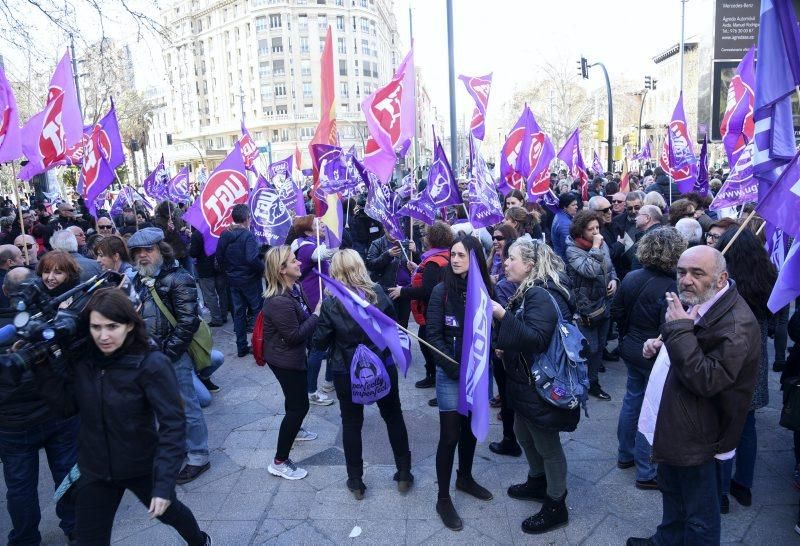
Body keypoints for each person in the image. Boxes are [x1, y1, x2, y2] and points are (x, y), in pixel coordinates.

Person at [31, 288, 211, 545]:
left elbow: (173, 424)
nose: (103, 336)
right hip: (95, 468)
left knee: (170, 512)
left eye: (112, 326)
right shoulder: (84, 361)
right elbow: (66, 408)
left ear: (128, 325)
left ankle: (199, 540)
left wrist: (163, 485)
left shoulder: (151, 363)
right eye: (96, 327)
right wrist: (42, 367)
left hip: (141, 465)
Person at [628, 246, 761, 546]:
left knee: (700, 514)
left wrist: (676, 331)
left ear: (720, 277)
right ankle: (667, 539)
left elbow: (707, 379)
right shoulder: (702, 300)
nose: (686, 280)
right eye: (681, 272)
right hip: (678, 423)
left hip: (700, 434)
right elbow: (689, 345)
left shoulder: (736, 324)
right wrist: (660, 347)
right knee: (672, 491)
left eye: (697, 273)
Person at [492, 237, 578, 534]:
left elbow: (536, 339)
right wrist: (507, 345)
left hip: (541, 385)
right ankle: (537, 480)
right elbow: (528, 334)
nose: (505, 262)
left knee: (546, 443)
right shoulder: (532, 289)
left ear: (529, 265)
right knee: (522, 432)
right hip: (528, 381)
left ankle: (556, 504)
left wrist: (502, 316)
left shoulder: (540, 293)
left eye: (511, 258)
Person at [311, 249, 412, 498]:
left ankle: (355, 481)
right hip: (382, 366)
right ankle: (404, 472)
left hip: (346, 369)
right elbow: (393, 327)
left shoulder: (331, 303)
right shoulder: (377, 293)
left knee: (351, 423)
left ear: (334, 272)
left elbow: (320, 343)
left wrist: (318, 313)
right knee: (393, 415)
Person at [0, 266, 79, 545]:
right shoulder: (45, 318)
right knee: (66, 473)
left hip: (24, 421)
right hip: (44, 415)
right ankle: (75, 527)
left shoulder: (48, 319)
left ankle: (25, 538)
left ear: (5, 290)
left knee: (20, 485)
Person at [128, 227, 211, 485]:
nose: (143, 256)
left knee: (186, 406)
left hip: (172, 356)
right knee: (163, 408)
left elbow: (188, 322)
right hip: (148, 356)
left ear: (161, 251)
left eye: (148, 250)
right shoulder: (137, 280)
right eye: (138, 252)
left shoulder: (179, 278)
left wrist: (167, 353)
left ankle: (199, 456)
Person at [426, 234, 494, 531]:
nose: (454, 259)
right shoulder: (441, 290)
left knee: (469, 432)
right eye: (453, 254)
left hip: (478, 374)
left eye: (461, 255)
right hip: (452, 374)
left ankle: (464, 478)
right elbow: (433, 336)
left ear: (475, 258)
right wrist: (454, 368)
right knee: (450, 435)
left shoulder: (485, 290)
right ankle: (443, 498)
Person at [611, 227, 686, 491]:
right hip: (653, 353)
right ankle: (646, 470)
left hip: (632, 347)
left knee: (633, 399)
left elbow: (617, 311)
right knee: (651, 408)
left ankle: (625, 454)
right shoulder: (672, 287)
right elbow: (669, 326)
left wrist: (628, 334)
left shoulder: (631, 276)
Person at [715, 229, 777, 513]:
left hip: (728, 355)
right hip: (756, 357)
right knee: (747, 424)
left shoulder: (722, 281)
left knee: (724, 428)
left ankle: (721, 492)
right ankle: (744, 485)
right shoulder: (767, 275)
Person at [261, 246, 320, 481]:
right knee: (299, 406)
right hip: (285, 360)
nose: (299, 263)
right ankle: (280, 461)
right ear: (281, 269)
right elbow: (294, 335)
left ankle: (295, 431)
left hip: (292, 356)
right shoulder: (278, 301)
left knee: (293, 401)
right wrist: (317, 314)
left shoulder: (295, 287)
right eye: (293, 261)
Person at [387, 221, 453, 391]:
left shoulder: (433, 262)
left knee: (429, 346)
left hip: (432, 312)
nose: (423, 237)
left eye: (425, 234)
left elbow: (427, 290)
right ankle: (432, 376)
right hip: (442, 310)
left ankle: (437, 380)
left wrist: (403, 291)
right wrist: (418, 268)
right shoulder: (446, 255)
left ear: (432, 239)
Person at [565, 210, 618, 400]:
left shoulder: (601, 245)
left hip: (603, 305)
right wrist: (596, 247)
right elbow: (589, 270)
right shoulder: (572, 249)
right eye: (591, 229)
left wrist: (614, 280)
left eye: (597, 227)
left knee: (600, 348)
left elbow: (609, 267)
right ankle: (578, 382)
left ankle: (593, 382)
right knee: (589, 349)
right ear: (580, 231)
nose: (596, 232)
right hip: (585, 309)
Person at [291, 215, 336, 406]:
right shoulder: (307, 247)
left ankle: (329, 381)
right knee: (318, 347)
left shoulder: (303, 241)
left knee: (333, 340)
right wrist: (338, 227)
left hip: (322, 297)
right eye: (317, 225)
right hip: (315, 301)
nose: (323, 226)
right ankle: (311, 391)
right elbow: (328, 252)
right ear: (308, 231)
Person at [216, 204, 264, 357]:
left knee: (239, 313)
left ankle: (241, 346)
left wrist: (228, 272)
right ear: (247, 219)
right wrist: (263, 269)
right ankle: (259, 344)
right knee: (258, 311)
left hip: (233, 280)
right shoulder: (247, 235)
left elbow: (219, 257)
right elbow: (252, 258)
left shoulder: (225, 234)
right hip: (249, 280)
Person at [366, 230, 415, 327]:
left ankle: (402, 342)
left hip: (405, 290)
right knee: (389, 324)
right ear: (384, 228)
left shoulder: (407, 243)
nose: (392, 231)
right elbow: (370, 265)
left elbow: (418, 265)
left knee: (403, 324)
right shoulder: (377, 243)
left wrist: (415, 252)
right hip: (387, 291)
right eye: (389, 228)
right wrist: (387, 255)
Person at [189, 226, 229, 328]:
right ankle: (223, 315)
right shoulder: (217, 230)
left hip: (205, 269)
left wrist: (191, 243)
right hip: (219, 266)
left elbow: (193, 253)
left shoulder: (197, 234)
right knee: (222, 292)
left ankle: (216, 318)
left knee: (210, 295)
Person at [550, 193, 578, 261]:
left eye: (576, 204)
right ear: (565, 207)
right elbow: (568, 248)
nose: (576, 207)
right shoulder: (565, 225)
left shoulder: (560, 214)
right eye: (573, 205)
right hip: (565, 261)